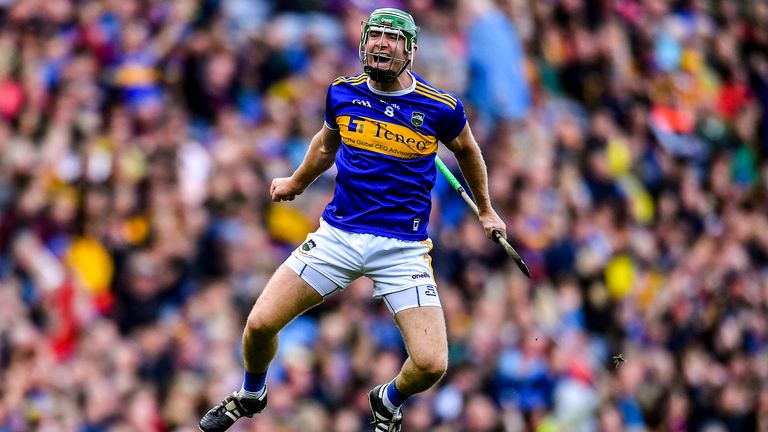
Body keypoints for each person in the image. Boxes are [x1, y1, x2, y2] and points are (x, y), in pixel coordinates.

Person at [198, 7, 506, 432]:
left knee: (432, 364)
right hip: (338, 236)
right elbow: (326, 145)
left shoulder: (440, 107)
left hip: (403, 249)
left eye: (392, 38)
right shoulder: (342, 93)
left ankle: (388, 398)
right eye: (375, 35)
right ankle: (251, 393)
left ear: (410, 50)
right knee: (259, 325)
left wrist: (487, 209)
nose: (381, 44)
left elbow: (469, 151)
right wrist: (297, 181)